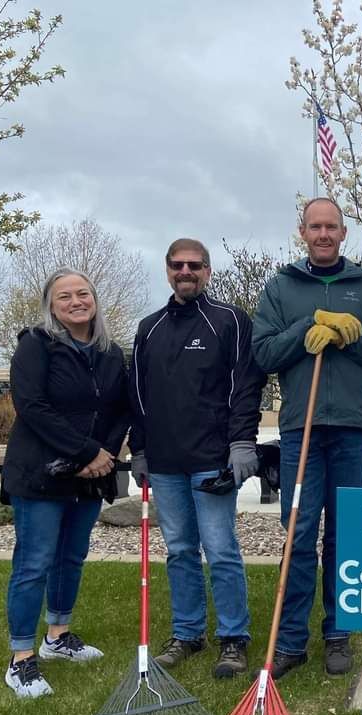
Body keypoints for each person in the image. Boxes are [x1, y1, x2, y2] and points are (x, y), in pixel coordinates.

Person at [252, 197, 362, 679]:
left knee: (345, 534)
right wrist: (307, 328)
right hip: (301, 429)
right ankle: (292, 641)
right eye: (314, 227)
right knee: (298, 532)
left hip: (352, 430)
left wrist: (350, 337)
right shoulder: (281, 287)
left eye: (331, 227)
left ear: (343, 233)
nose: (323, 234)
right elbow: (261, 354)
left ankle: (338, 633)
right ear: (302, 232)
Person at [129, 238, 266, 679]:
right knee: (180, 551)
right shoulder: (148, 328)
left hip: (213, 459)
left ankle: (233, 638)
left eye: (194, 265)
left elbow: (246, 386)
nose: (185, 271)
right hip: (166, 463)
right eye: (177, 265)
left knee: (221, 549)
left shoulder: (229, 321)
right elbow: (137, 396)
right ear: (167, 270)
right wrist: (140, 449)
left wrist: (242, 443)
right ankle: (187, 633)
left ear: (207, 271)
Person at [1, 269, 130, 698]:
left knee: (71, 557)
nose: (76, 301)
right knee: (34, 562)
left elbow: (121, 410)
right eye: (64, 296)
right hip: (40, 474)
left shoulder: (111, 353)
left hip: (89, 477)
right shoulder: (37, 345)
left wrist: (103, 456)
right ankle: (21, 659)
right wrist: (84, 452)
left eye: (83, 293)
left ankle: (57, 637)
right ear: (51, 306)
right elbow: (32, 406)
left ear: (94, 298)